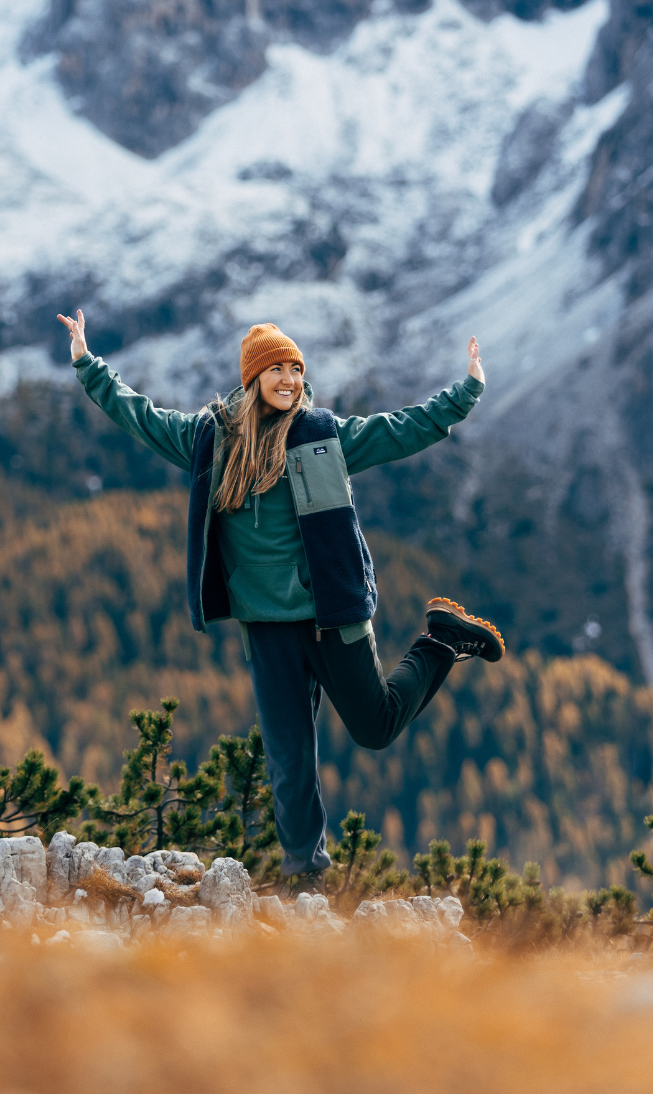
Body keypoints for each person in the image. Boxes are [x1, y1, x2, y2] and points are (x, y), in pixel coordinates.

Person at [57, 313, 504, 891]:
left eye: (296, 367)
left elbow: (401, 430)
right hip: (266, 628)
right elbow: (139, 415)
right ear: (254, 378)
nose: (290, 377)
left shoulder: (322, 435)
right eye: (277, 368)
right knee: (289, 757)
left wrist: (465, 391)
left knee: (375, 727)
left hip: (331, 615)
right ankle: (305, 874)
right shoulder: (209, 439)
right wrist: (87, 364)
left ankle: (441, 639)